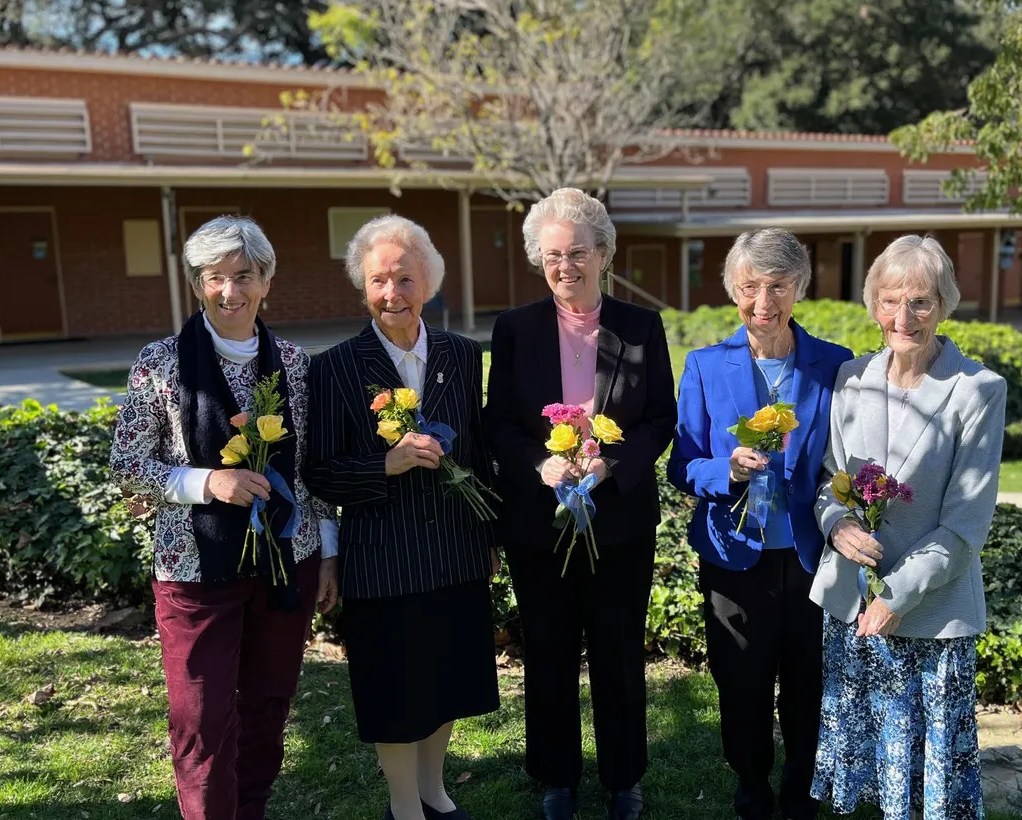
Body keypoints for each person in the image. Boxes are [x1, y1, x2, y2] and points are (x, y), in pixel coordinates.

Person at [110, 215, 339, 820]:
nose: (231, 292)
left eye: (245, 276)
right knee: (201, 718)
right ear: (196, 284)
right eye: (216, 278)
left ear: (267, 282)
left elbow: (314, 470)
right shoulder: (160, 363)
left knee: (267, 705)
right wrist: (208, 481)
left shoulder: (295, 364)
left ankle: (251, 809)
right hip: (193, 568)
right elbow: (128, 465)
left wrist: (330, 552)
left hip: (287, 561)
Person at [484, 188, 676, 820]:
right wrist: (541, 464)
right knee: (548, 651)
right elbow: (500, 423)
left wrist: (609, 465)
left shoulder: (641, 327)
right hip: (539, 524)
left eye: (577, 253)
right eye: (552, 255)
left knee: (620, 652)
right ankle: (557, 776)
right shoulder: (514, 328)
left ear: (604, 254)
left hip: (618, 519)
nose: (565, 265)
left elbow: (658, 419)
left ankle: (625, 778)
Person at [302, 216, 499, 820]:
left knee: (446, 681)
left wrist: (488, 533)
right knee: (394, 691)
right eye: (379, 280)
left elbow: (477, 453)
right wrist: (383, 465)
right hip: (384, 556)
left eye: (405, 278)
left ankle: (434, 792)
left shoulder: (464, 357)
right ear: (363, 288)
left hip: (455, 550)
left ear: (429, 283)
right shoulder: (335, 367)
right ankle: (402, 805)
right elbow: (318, 471)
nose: (393, 293)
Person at [808, 235, 1007, 820]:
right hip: (852, 600)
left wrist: (897, 596)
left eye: (921, 301)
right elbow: (828, 478)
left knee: (929, 778)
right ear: (873, 305)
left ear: (944, 305)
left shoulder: (977, 390)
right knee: (862, 768)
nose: (904, 317)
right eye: (891, 300)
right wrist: (837, 523)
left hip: (931, 610)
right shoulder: (850, 378)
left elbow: (967, 521)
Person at [667, 228, 852, 820]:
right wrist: (727, 472)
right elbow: (682, 463)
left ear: (799, 288)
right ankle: (751, 788)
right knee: (741, 682)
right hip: (732, 556)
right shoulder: (704, 366)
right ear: (733, 291)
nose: (763, 303)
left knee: (807, 683)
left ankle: (802, 791)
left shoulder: (834, 364)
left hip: (809, 555)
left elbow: (847, 457)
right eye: (750, 287)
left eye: (778, 286)